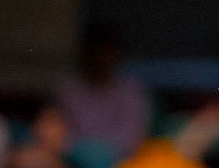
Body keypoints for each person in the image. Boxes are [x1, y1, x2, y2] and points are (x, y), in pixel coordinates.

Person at [57, 24, 150, 160]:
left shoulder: (130, 91)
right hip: (75, 162)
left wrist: (99, 152)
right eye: (96, 54)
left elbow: (132, 140)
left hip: (118, 163)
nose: (101, 60)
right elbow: (59, 137)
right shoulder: (68, 89)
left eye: (107, 54)